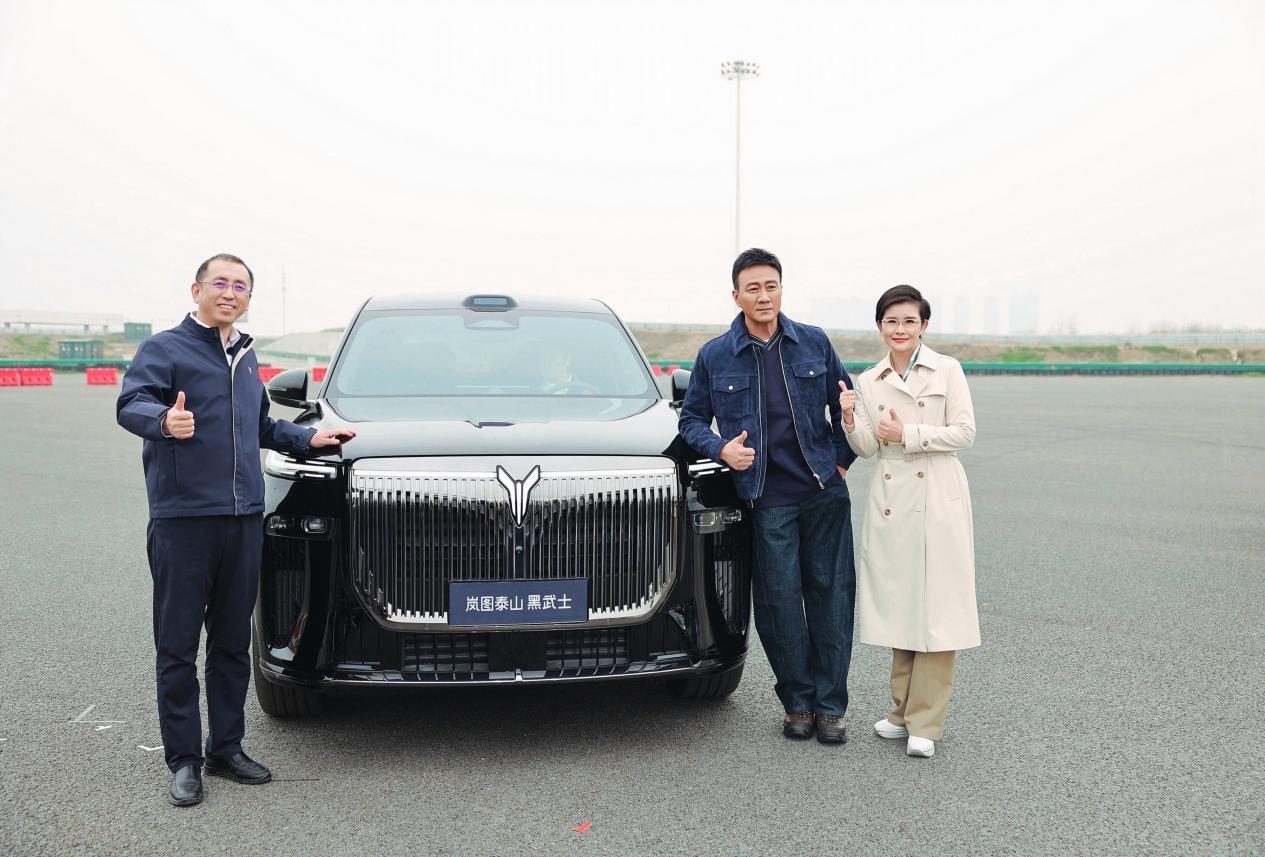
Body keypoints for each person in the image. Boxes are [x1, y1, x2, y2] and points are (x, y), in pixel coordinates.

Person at [117, 253, 355, 806]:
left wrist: (308, 439)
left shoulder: (246, 357)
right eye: (220, 283)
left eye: (241, 286)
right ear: (196, 289)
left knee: (230, 644)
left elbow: (260, 426)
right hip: (183, 522)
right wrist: (163, 420)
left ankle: (225, 747)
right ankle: (184, 760)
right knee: (177, 646)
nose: (230, 292)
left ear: (248, 298)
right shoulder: (165, 349)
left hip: (244, 520)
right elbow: (130, 404)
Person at [678, 248, 858, 744]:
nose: (763, 296)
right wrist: (721, 449)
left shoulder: (814, 342)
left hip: (823, 493)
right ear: (736, 295)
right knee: (779, 605)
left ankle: (831, 707)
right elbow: (691, 420)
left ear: (781, 289)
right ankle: (798, 702)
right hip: (766, 498)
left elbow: (847, 403)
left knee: (831, 598)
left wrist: (841, 460)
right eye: (753, 288)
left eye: (771, 286)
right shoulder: (716, 355)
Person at [838, 284, 979, 758]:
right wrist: (849, 419)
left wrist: (909, 433)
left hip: (937, 492)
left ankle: (926, 721)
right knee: (902, 604)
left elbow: (965, 432)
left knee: (938, 608)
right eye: (891, 321)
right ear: (880, 326)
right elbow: (868, 448)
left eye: (909, 321)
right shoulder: (870, 378)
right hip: (892, 498)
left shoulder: (947, 369)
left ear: (924, 325)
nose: (900, 329)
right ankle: (901, 711)